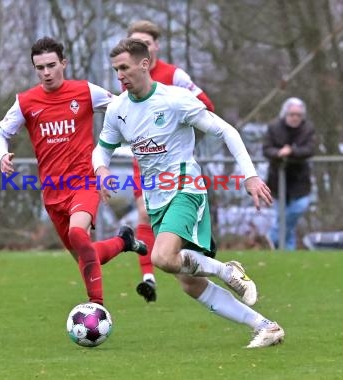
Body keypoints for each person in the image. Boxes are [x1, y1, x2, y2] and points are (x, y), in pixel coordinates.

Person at [92, 38, 285, 348]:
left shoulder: (175, 100)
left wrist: (250, 175)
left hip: (185, 187)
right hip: (156, 199)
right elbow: (102, 149)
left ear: (145, 64)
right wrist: (101, 169)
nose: (120, 76)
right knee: (189, 283)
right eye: (116, 70)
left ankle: (227, 270)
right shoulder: (117, 110)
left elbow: (226, 131)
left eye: (124, 68)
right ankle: (265, 326)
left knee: (161, 257)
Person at [0, 36, 147, 307]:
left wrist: (138, 132)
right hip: (52, 193)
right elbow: (1, 135)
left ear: (63, 63)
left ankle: (95, 307)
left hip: (84, 182)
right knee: (86, 257)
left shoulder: (86, 92)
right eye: (39, 68)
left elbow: (121, 107)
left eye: (51, 65)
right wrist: (2, 154)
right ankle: (124, 242)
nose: (46, 72)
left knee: (79, 235)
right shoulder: (26, 102)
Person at [126, 20, 216, 303]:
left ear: (156, 47)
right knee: (143, 213)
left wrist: (186, 134)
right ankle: (148, 277)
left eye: (146, 43)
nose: (141, 48)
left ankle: (197, 256)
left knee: (181, 267)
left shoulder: (174, 76)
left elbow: (207, 107)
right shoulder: (127, 77)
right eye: (134, 43)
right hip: (144, 161)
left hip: (175, 166)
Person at [263, 97, 315, 250]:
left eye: (298, 115)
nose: (295, 117)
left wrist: (292, 151)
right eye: (292, 114)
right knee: (282, 215)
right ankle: (288, 249)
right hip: (278, 178)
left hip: (300, 179)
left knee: (299, 208)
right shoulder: (273, 127)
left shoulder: (308, 129)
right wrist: (279, 153)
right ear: (285, 114)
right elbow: (266, 149)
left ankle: (273, 235)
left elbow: (310, 150)